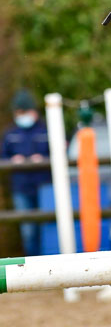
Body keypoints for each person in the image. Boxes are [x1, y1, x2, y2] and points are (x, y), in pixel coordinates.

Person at [0, 90, 51, 255]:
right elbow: (3, 156)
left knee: (47, 229)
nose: (22, 116)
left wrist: (42, 158)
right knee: (28, 232)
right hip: (21, 188)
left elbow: (58, 154)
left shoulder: (46, 131)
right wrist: (13, 160)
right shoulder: (10, 134)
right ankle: (33, 266)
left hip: (45, 187)